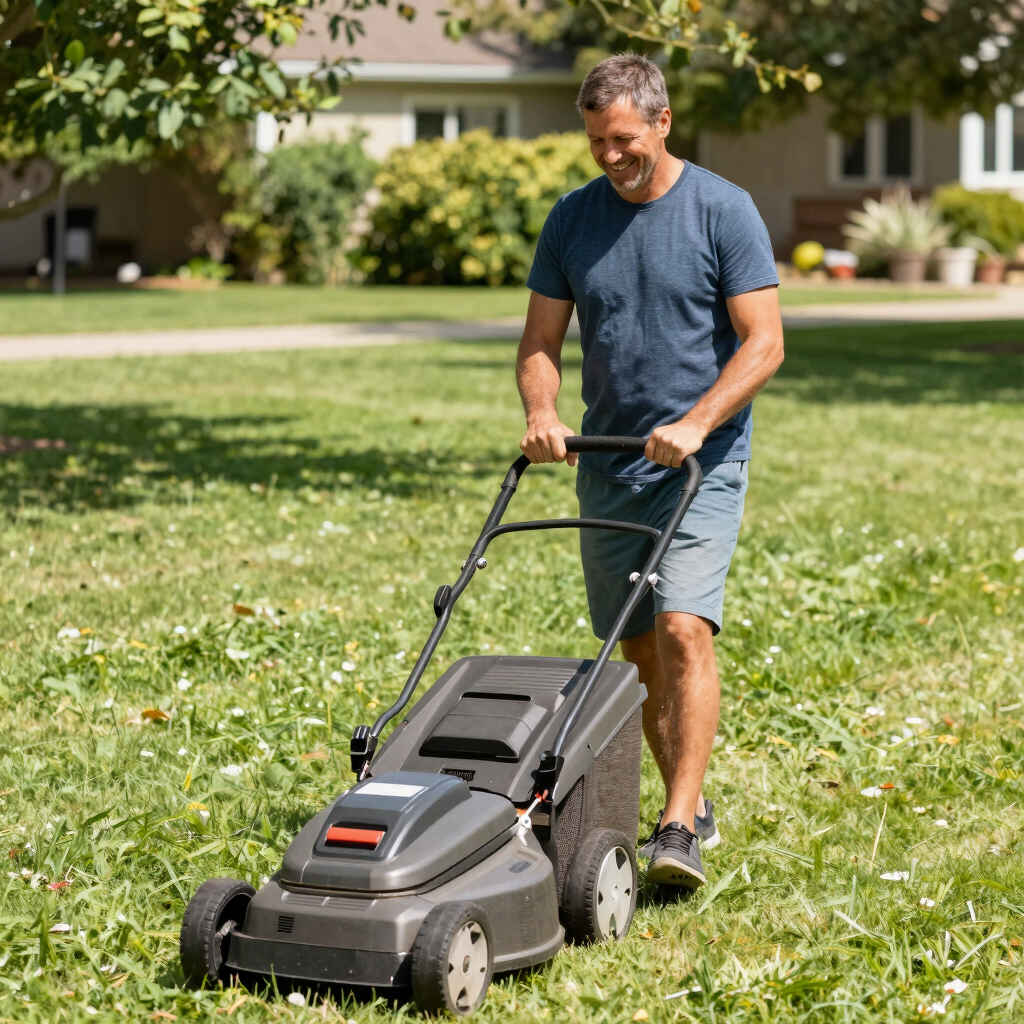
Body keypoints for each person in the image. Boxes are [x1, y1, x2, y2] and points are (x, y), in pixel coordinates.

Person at [517, 53, 784, 889]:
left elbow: (765, 342)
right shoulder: (571, 219)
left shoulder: (722, 210)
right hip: (609, 464)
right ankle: (687, 800)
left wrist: (698, 423)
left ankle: (676, 826)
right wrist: (541, 412)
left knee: (682, 629)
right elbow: (539, 345)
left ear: (663, 123)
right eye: (596, 140)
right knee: (635, 654)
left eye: (623, 138)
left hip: (701, 463)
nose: (608, 155)